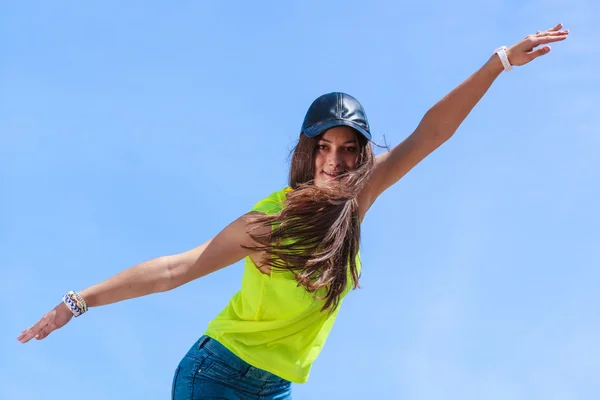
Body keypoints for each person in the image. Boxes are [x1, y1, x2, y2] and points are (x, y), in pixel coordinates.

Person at [18, 24, 569, 399]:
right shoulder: (269, 222)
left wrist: (498, 63)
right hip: (216, 374)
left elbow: (430, 133)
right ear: (308, 153)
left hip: (275, 387)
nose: (335, 161)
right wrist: (79, 301)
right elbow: (175, 270)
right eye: (323, 148)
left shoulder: (360, 199)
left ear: (360, 155)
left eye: (348, 149)